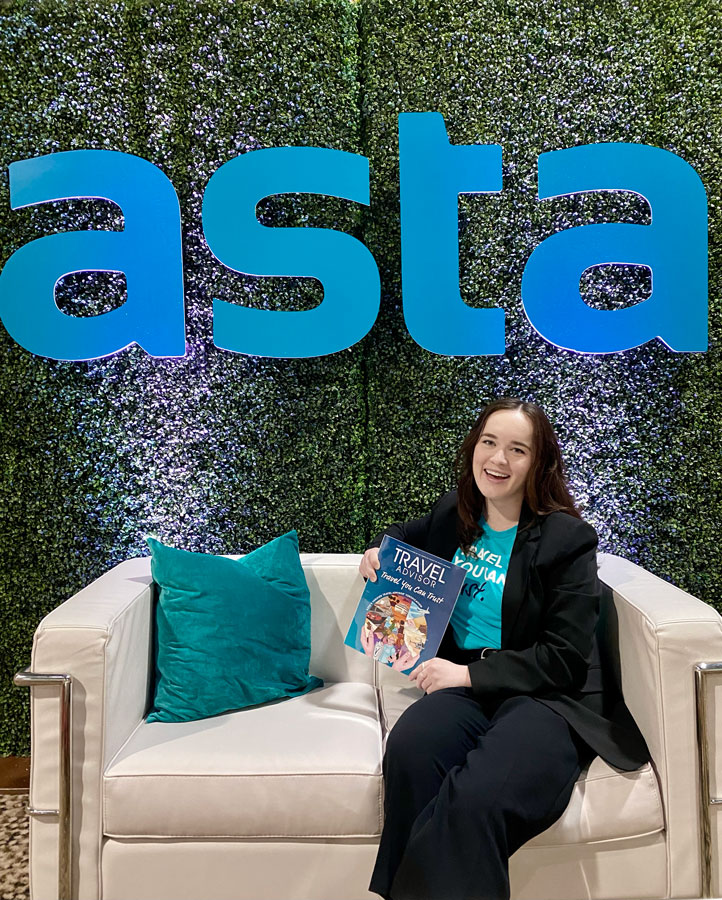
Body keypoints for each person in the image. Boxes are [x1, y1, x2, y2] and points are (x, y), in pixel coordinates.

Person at [360, 398, 649, 900]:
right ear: (473, 448)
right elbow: (407, 535)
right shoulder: (454, 513)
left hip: (549, 697)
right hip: (466, 689)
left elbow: (563, 657)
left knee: (477, 797)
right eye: (489, 442)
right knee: (411, 750)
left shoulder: (568, 540)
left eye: (518, 449)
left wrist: (464, 676)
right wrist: (378, 551)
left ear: (538, 463)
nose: (498, 459)